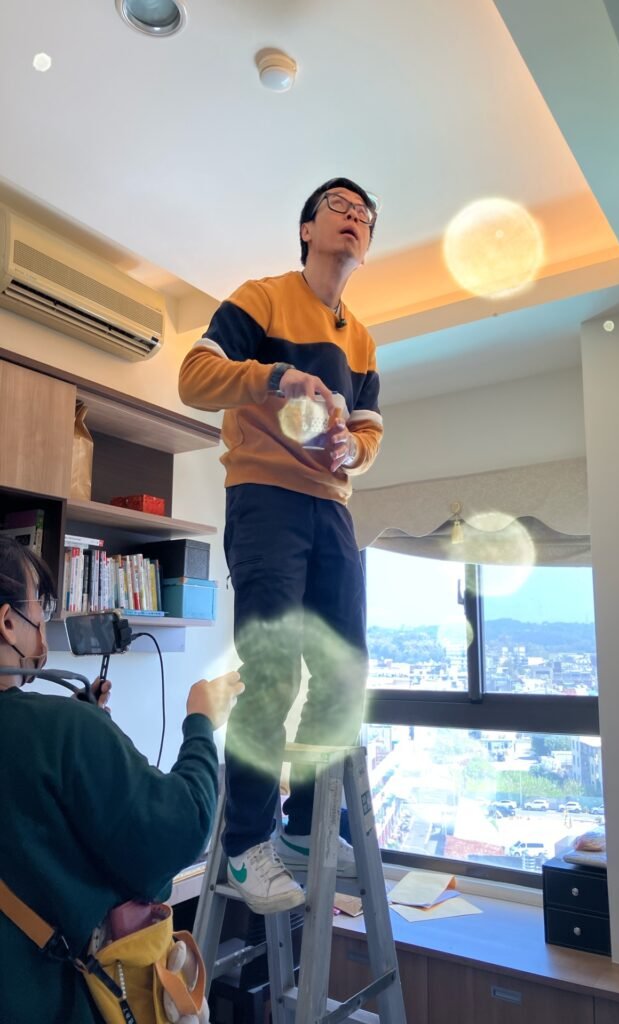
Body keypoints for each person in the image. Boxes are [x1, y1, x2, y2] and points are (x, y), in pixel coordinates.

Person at [178, 177, 383, 914]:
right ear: (306, 229)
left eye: (365, 215)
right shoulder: (262, 299)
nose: (354, 218)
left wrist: (353, 453)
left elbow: (369, 429)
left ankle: (301, 830)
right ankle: (244, 845)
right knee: (273, 672)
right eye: (339, 208)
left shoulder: (361, 340)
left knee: (343, 670)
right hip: (265, 498)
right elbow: (194, 377)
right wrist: (278, 375)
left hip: (331, 507)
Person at [0, 536, 244, 1024]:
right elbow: (178, 831)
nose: (42, 622)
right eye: (39, 606)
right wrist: (201, 723)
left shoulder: (62, 728)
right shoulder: (66, 730)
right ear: (8, 621)